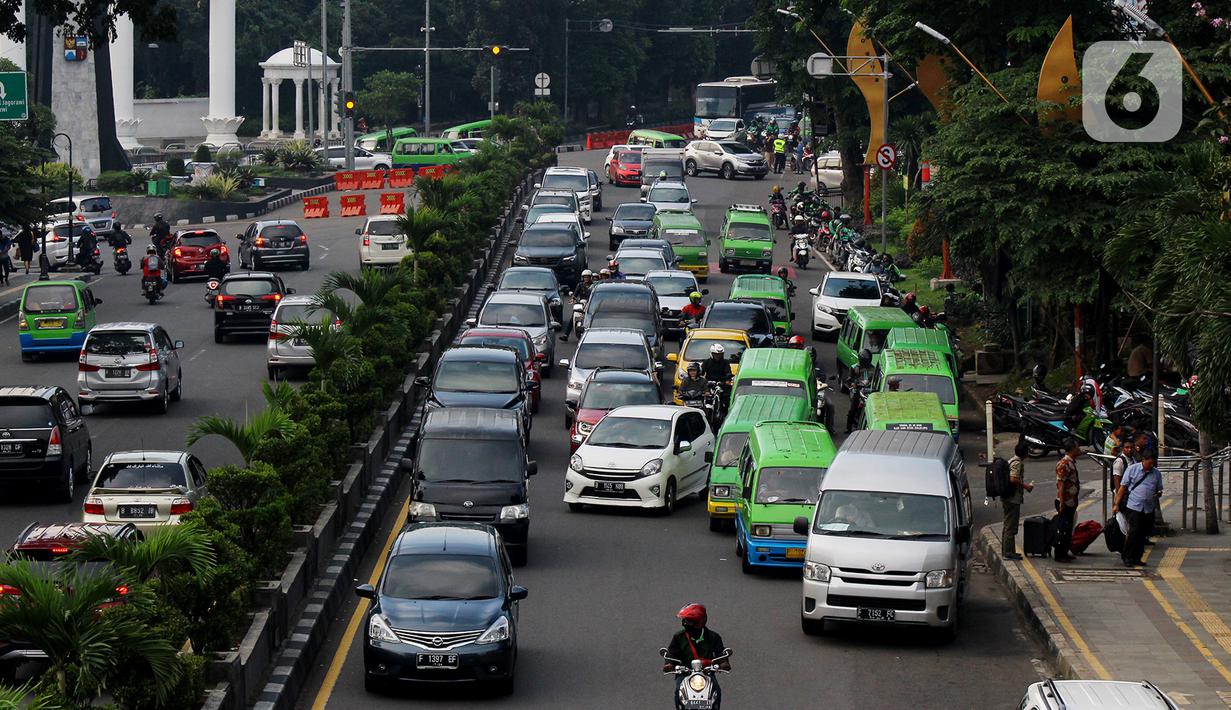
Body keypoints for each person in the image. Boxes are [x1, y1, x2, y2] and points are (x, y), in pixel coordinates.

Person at [664, 604, 729, 707]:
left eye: (688, 621)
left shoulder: (713, 637)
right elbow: (671, 653)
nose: (685, 623)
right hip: (684, 672)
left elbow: (720, 652)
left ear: (699, 622)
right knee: (678, 692)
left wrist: (724, 662)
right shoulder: (678, 637)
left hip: (707, 672)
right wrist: (669, 664)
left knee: (716, 690)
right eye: (684, 621)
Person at [1113, 449, 1162, 567]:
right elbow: (1122, 488)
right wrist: (1116, 504)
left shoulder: (1156, 473)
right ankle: (1127, 556)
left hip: (1148, 508)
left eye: (1153, 464)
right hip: (1134, 506)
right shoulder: (1132, 469)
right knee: (1134, 531)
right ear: (1143, 460)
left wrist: (1157, 494)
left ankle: (1137, 557)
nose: (1151, 466)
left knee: (1143, 533)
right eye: (1149, 463)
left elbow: (1159, 489)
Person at [1001, 441, 1034, 560]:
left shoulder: (1011, 460)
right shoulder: (1017, 463)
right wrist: (1026, 486)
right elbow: (1013, 479)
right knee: (1011, 525)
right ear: (1025, 453)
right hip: (1012, 498)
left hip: (1007, 497)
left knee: (1007, 524)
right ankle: (1009, 553)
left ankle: (1007, 551)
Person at [1053, 439, 1082, 563]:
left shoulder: (1071, 463)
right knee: (1063, 528)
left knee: (1068, 528)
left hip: (1071, 501)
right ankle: (1060, 554)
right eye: (1077, 446)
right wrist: (1062, 503)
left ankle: (1065, 551)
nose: (1079, 449)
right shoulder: (1064, 464)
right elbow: (1061, 484)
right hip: (1065, 502)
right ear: (1072, 449)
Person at [844, 349, 875, 434]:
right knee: (852, 409)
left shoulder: (873, 369)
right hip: (857, 391)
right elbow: (848, 380)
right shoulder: (854, 368)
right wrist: (853, 383)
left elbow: (875, 380)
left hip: (869, 392)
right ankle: (848, 427)